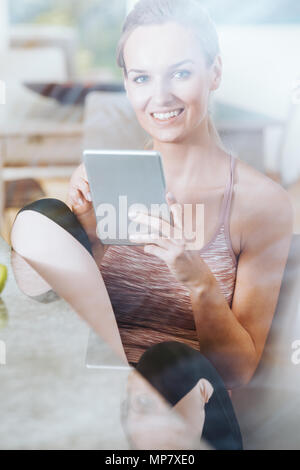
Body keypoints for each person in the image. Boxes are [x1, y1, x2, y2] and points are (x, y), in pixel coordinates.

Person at [10, 0, 293, 450]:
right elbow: (66, 324)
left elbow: (239, 370)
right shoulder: (107, 184)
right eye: (142, 77)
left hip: (191, 418)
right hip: (96, 406)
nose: (160, 96)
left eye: (180, 73)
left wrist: (198, 280)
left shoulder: (261, 205)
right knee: (44, 216)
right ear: (126, 82)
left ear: (214, 72)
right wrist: (89, 236)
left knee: (168, 362)